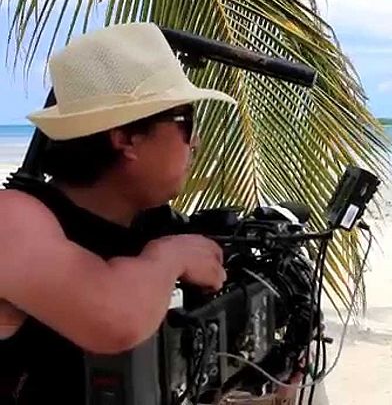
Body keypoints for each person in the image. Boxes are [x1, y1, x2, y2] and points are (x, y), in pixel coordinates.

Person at [0, 22, 236, 403]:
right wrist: (170, 257)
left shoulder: (150, 224)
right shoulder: (13, 219)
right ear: (126, 137)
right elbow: (112, 319)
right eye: (186, 122)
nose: (195, 142)